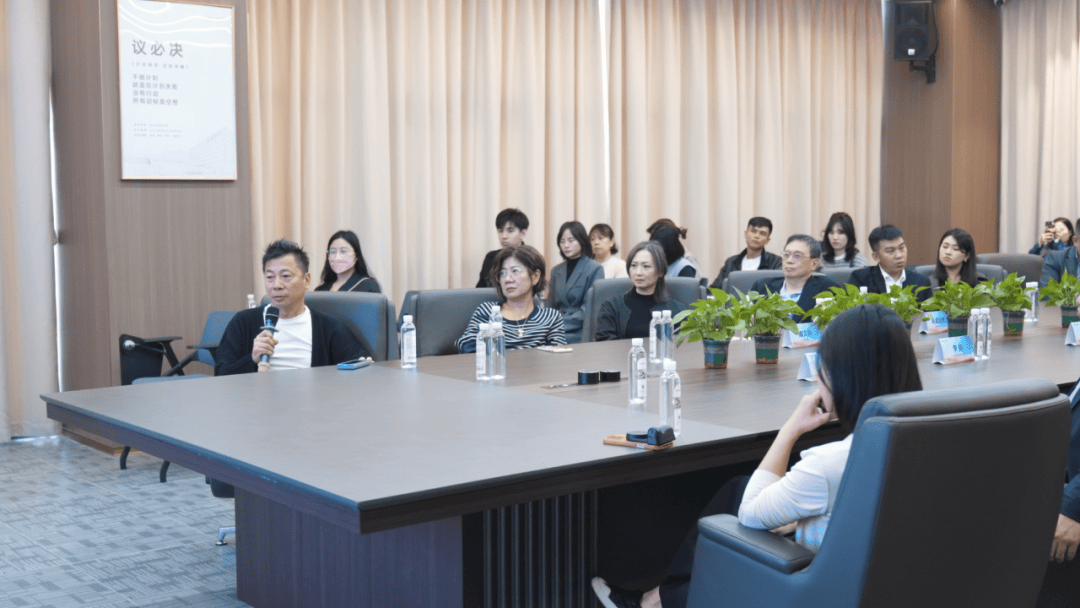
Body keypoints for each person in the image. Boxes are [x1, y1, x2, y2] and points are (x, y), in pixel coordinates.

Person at [591, 305, 923, 608]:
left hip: (812, 589)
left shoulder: (828, 464)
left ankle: (657, 603)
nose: (817, 379)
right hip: (899, 585)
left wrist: (790, 429)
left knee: (735, 517)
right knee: (739, 485)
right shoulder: (925, 443)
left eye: (823, 369)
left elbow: (750, 514)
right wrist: (806, 518)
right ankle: (655, 601)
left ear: (845, 378)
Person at [216, 239, 367, 376]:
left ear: (306, 280)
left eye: (286, 276)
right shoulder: (243, 322)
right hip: (259, 397)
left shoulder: (329, 328)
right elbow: (221, 375)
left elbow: (362, 365)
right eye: (270, 277)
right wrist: (252, 359)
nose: (276, 285)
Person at [456, 245, 567, 352]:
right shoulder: (488, 311)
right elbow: (466, 346)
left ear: (535, 277)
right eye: (503, 273)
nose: (507, 279)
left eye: (515, 271)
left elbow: (556, 357)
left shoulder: (550, 317)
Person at [595, 241, 688, 341]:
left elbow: (684, 345)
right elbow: (605, 343)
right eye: (634, 265)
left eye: (646, 266)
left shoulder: (677, 310)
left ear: (660, 271)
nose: (638, 273)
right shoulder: (611, 307)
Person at [749, 235, 840, 323]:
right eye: (786, 255)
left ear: (814, 263)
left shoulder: (828, 289)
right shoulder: (761, 287)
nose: (789, 260)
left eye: (797, 256)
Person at [548, 221, 605, 343]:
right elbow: (549, 306)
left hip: (580, 328)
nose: (566, 245)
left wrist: (557, 325)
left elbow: (589, 309)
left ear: (581, 241)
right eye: (562, 241)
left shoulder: (595, 268)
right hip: (554, 326)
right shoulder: (556, 271)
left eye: (571, 240)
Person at [848, 224, 931, 303]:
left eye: (902, 248)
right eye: (890, 251)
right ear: (876, 257)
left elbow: (930, 312)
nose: (899, 255)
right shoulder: (860, 279)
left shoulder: (921, 282)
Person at [710, 217, 783, 288]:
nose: (756, 236)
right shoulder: (731, 262)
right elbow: (715, 289)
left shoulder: (776, 262)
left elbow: (778, 288)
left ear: (767, 240)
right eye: (753, 231)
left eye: (762, 233)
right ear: (745, 234)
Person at [477, 208, 530, 288]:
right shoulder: (491, 257)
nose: (504, 236)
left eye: (510, 231)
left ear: (523, 234)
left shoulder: (531, 258)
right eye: (500, 231)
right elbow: (480, 289)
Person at [314, 230, 381, 293]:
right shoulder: (320, 290)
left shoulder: (368, 286)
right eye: (333, 251)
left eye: (344, 251)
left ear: (356, 256)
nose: (337, 257)